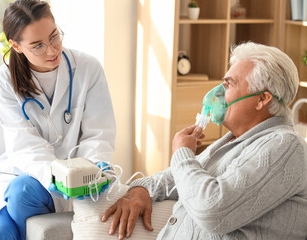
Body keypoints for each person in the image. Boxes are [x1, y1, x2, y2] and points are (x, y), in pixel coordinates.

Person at [102, 42, 307, 239]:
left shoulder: (285, 146)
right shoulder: (233, 141)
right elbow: (176, 179)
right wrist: (141, 189)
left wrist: (182, 153)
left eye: (228, 84)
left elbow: (213, 210)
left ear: (262, 99)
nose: (216, 93)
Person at [0, 0, 116, 239]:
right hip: (24, 173)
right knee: (0, 229)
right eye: (37, 45)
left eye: (54, 36)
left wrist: (89, 171)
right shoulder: (3, 81)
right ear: (15, 46)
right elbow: (23, 144)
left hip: (80, 177)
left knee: (21, 196)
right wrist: (54, 175)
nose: (51, 50)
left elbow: (99, 132)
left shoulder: (88, 68)